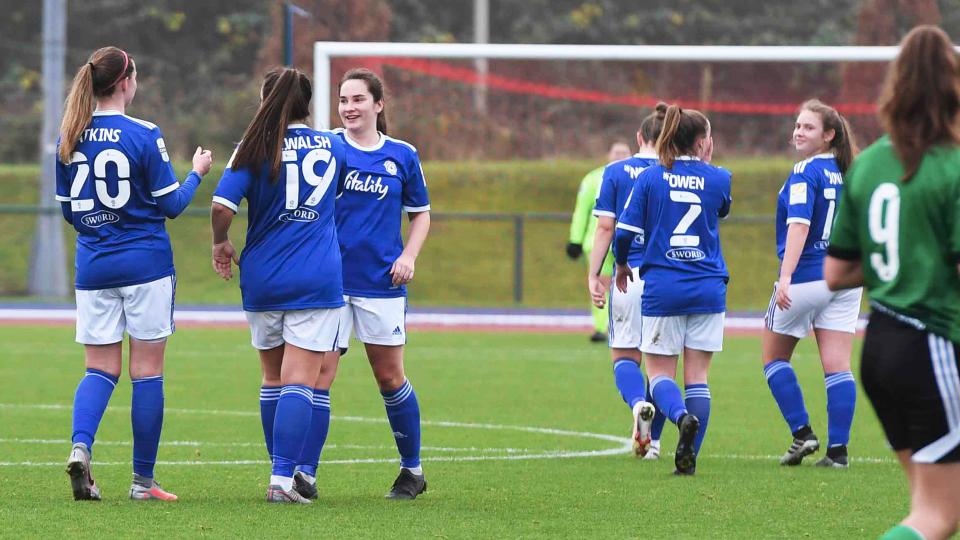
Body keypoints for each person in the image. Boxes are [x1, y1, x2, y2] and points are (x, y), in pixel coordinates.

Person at [56, 46, 213, 501]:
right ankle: (143, 482)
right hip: (145, 266)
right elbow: (173, 205)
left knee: (100, 369)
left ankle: (81, 448)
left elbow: (70, 214)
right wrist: (197, 173)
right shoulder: (144, 133)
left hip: (94, 268)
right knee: (147, 373)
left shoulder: (68, 134)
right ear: (126, 82)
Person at [825, 25, 960, 540]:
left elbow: (837, 271)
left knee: (930, 508)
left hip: (881, 345)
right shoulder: (952, 165)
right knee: (937, 516)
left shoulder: (868, 165)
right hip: (932, 344)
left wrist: (897, 262)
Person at [291, 68, 431, 501]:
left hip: (381, 283)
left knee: (389, 377)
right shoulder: (329, 147)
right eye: (342, 100)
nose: (349, 108)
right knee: (321, 375)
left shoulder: (402, 155)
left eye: (357, 100)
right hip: (331, 284)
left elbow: (421, 213)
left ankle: (413, 471)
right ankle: (304, 475)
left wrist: (408, 256)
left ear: (378, 105)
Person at [210, 66, 347, 504]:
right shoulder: (333, 146)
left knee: (272, 378)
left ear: (266, 100)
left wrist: (220, 243)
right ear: (307, 105)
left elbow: (221, 206)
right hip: (316, 276)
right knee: (300, 383)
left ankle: (278, 473)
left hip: (264, 277)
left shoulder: (251, 148)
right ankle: (284, 480)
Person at [613, 104, 731, 475]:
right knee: (698, 377)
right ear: (701, 142)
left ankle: (680, 417)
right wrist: (706, 165)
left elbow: (624, 232)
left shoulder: (650, 177)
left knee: (661, 374)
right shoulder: (720, 177)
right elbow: (721, 209)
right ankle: (688, 456)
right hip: (709, 287)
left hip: (665, 286)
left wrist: (620, 264)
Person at [762, 100, 861, 468]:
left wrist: (785, 276)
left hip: (807, 276)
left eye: (807, 127)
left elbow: (799, 225)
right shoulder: (850, 171)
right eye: (797, 125)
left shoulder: (805, 171)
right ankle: (838, 452)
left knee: (773, 358)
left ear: (829, 135)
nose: (798, 132)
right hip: (847, 276)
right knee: (837, 365)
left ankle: (802, 433)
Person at [588, 104, 666, 458]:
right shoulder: (676, 172)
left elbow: (606, 226)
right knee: (662, 364)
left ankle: (637, 403)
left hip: (628, 275)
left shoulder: (616, 172)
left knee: (624, 357)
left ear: (639, 137)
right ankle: (654, 444)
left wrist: (595, 274)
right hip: (668, 278)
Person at [569, 140, 633, 342]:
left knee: (629, 283)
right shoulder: (593, 179)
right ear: (608, 154)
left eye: (624, 152)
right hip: (599, 239)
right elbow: (582, 211)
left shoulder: (639, 175)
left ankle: (624, 325)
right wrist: (575, 239)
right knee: (601, 282)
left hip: (630, 240)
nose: (620, 156)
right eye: (616, 152)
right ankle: (601, 327)